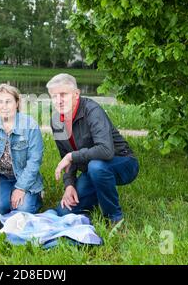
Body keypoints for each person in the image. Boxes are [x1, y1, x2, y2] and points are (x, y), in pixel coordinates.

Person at [46, 73, 139, 225]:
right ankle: (97, 195)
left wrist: (71, 156)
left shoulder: (92, 110)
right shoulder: (57, 120)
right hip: (92, 170)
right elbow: (65, 156)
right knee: (63, 213)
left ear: (76, 94)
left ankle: (114, 219)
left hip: (123, 162)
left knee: (96, 166)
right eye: (54, 96)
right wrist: (69, 184)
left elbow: (106, 151)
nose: (58, 101)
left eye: (63, 94)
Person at [0, 84, 44, 215]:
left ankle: (37, 197)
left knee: (23, 210)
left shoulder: (30, 125)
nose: (4, 106)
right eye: (0, 102)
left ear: (17, 103)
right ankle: (7, 194)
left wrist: (21, 188)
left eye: (8, 101)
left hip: (23, 175)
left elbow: (35, 160)